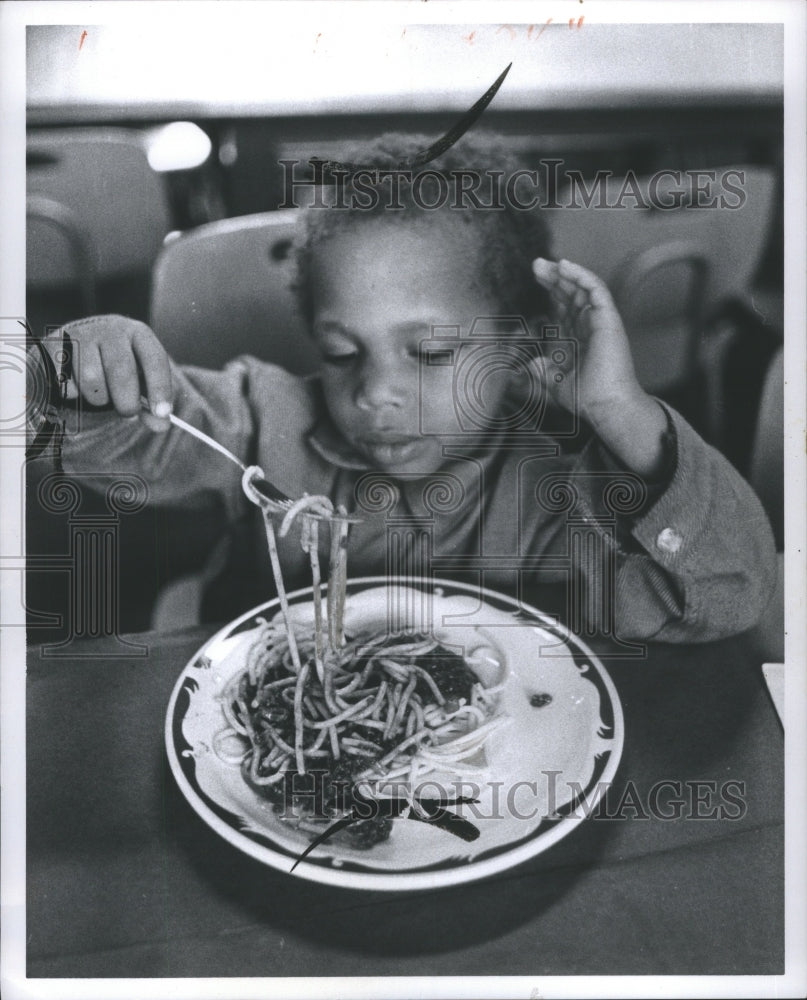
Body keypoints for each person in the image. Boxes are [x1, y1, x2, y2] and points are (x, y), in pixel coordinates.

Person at [38, 133, 777, 642]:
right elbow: (126, 442)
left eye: (428, 352)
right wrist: (80, 379)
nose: (375, 394)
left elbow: (728, 595)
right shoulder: (268, 420)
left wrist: (625, 414)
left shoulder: (567, 482)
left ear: (514, 352)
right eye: (340, 353)